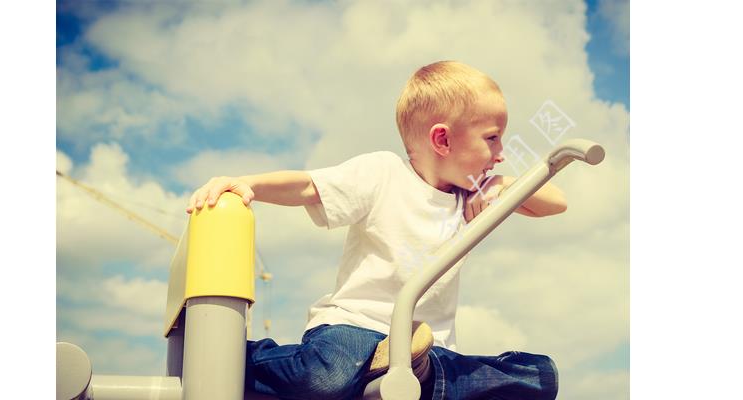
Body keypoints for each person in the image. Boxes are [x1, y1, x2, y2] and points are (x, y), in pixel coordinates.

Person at [186, 61, 565, 400]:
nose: (500, 153)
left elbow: (555, 202)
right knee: (326, 377)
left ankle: (420, 372)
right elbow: (307, 186)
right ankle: (238, 354)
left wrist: (502, 185)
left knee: (538, 378)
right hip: (356, 330)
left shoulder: (473, 197)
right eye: (492, 138)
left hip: (428, 350)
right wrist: (247, 183)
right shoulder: (383, 173)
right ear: (443, 140)